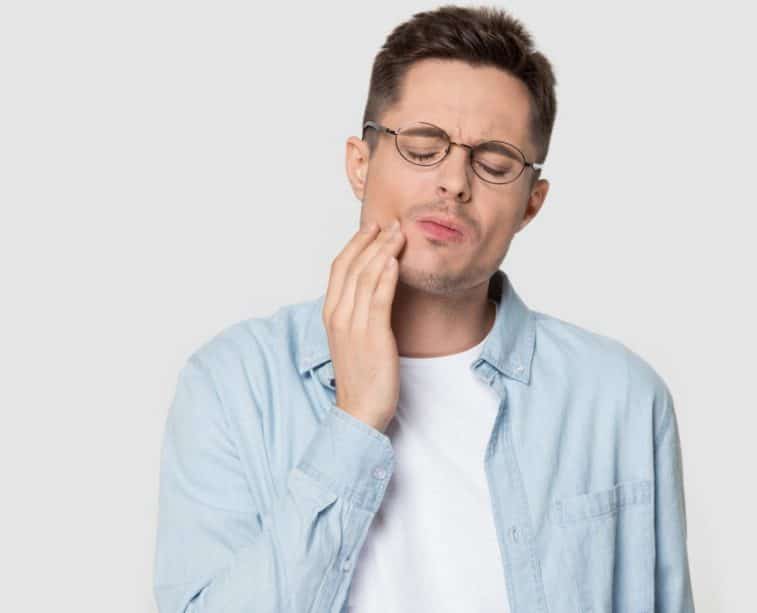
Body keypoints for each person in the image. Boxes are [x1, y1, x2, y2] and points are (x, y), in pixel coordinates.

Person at [153, 5, 695, 613]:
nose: (455, 182)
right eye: (422, 147)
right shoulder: (232, 386)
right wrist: (355, 424)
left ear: (531, 204)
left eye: (493, 163)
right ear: (360, 164)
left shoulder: (620, 400)